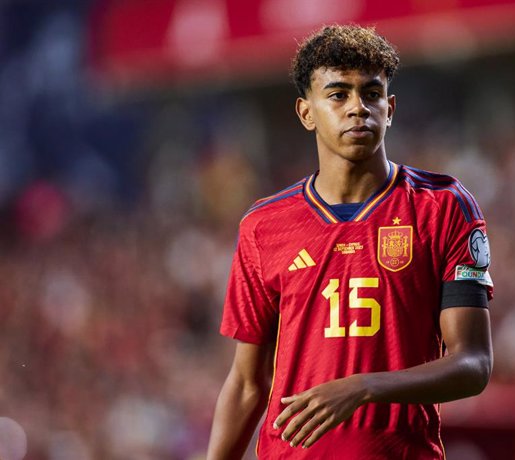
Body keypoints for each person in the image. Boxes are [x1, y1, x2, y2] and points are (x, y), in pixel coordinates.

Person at [207, 24, 494, 460]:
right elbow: (248, 383)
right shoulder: (263, 226)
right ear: (306, 113)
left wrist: (364, 387)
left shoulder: (444, 207)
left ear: (390, 107)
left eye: (372, 94)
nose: (358, 108)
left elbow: (473, 364)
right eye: (338, 95)